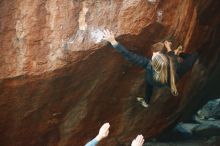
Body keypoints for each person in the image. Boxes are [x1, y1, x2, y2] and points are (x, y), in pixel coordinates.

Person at [103, 29, 198, 108]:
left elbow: (129, 55)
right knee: (194, 56)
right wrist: (169, 47)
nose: (154, 53)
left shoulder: (148, 64)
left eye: (154, 55)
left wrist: (113, 41)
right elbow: (172, 56)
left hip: (153, 81)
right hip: (173, 79)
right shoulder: (173, 64)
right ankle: (181, 53)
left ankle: (146, 102)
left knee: (149, 86)